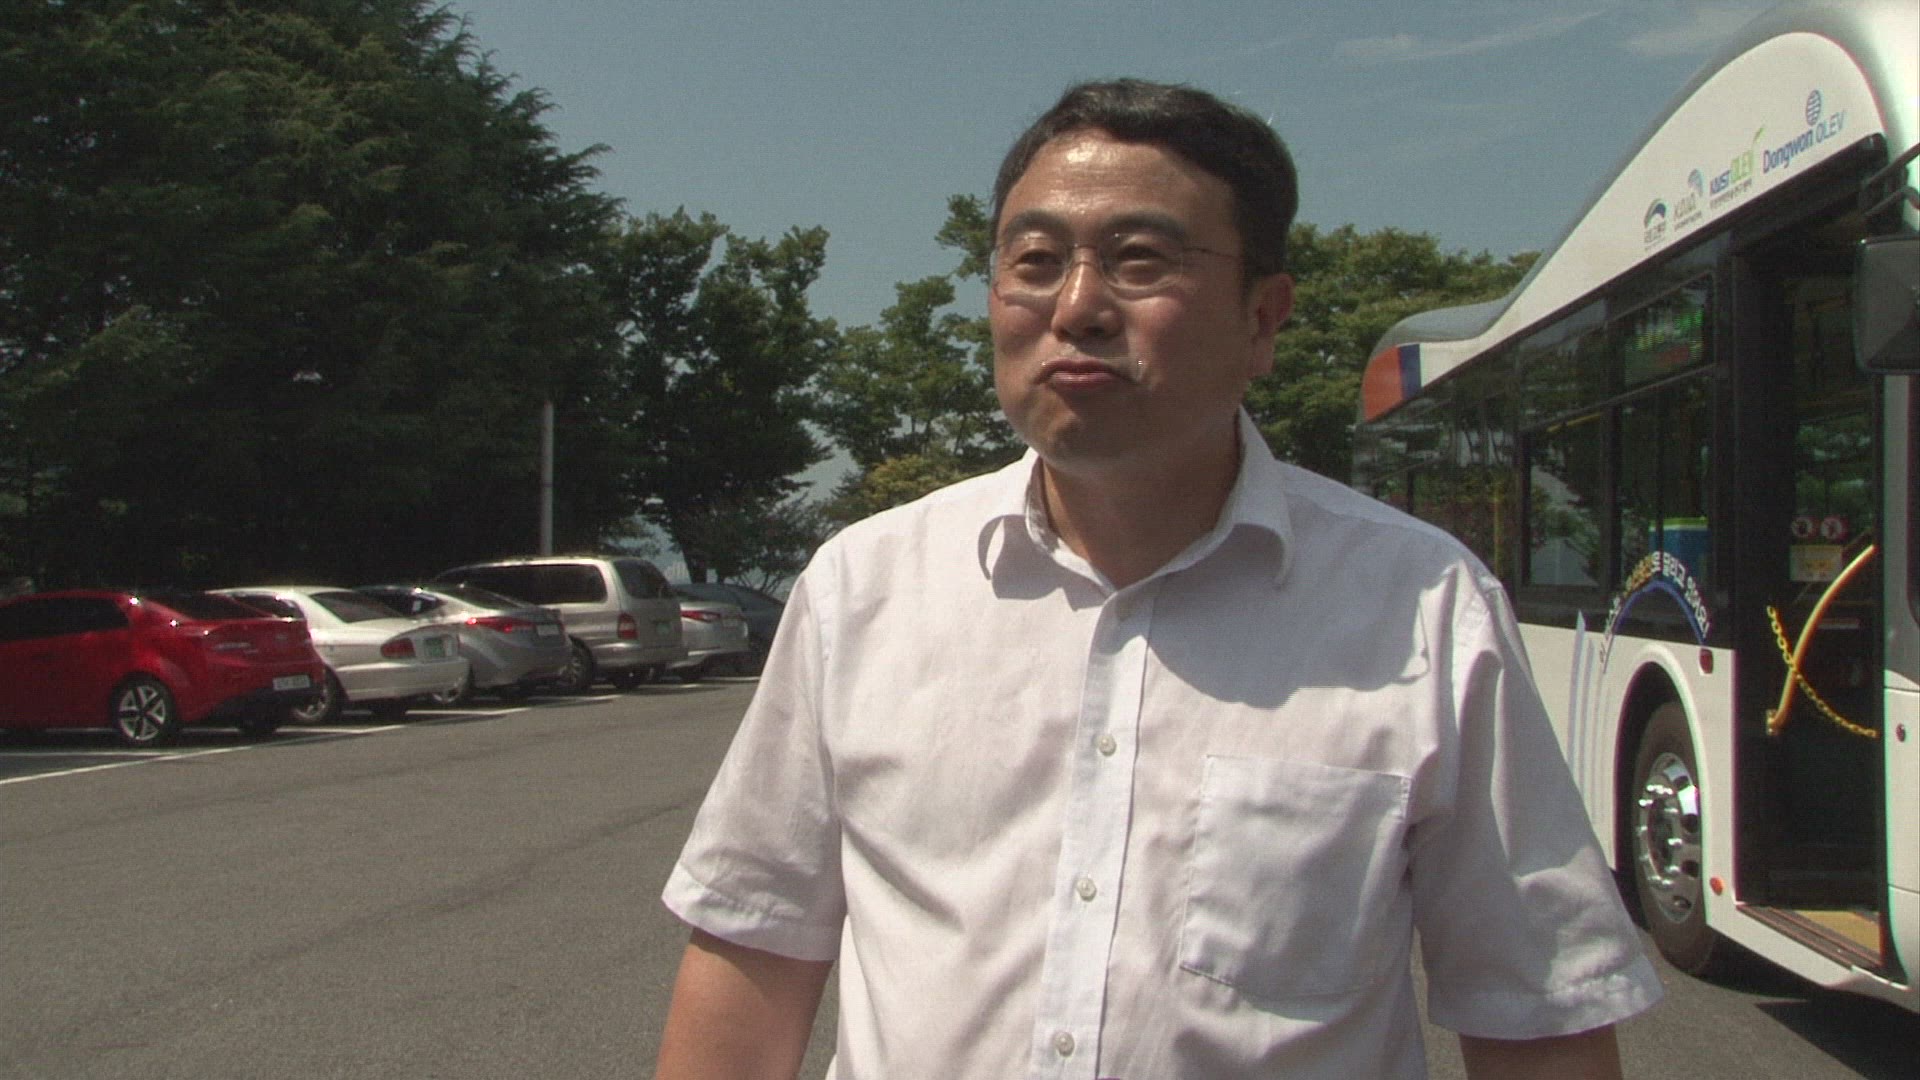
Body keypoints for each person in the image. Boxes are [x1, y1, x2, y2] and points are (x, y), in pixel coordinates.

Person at [655, 79, 1662, 1080]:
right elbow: (754, 949)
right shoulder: (865, 589)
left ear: (1262, 318)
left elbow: (1538, 1016)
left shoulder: (1424, 610)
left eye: (1140, 261)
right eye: (1035, 262)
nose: (1077, 307)